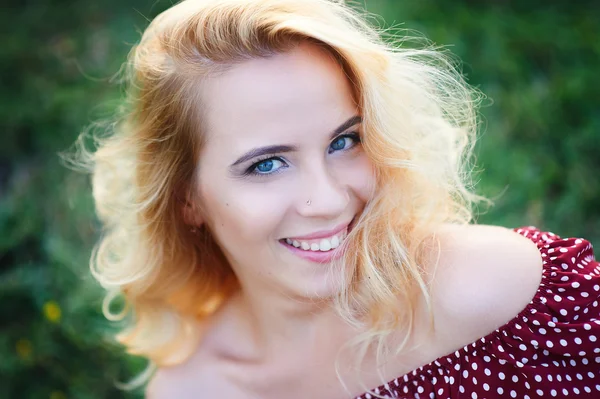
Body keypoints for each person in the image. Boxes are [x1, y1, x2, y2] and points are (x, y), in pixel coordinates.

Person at [80, 0, 600, 398]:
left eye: (343, 141)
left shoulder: (493, 293)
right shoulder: (198, 388)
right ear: (186, 199)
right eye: (266, 163)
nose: (328, 200)